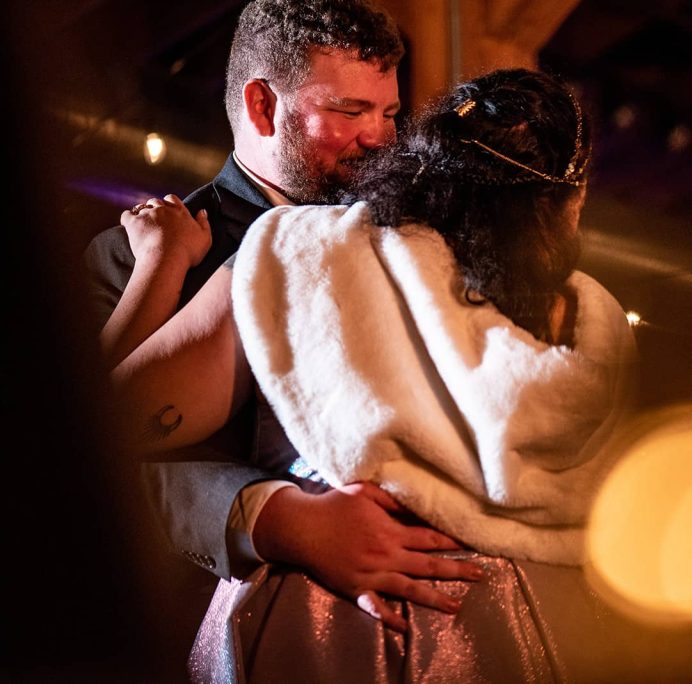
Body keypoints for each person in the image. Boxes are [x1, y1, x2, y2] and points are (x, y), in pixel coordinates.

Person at [112, 68, 636, 681]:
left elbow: (107, 421)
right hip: (546, 627)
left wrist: (272, 512)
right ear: (567, 202)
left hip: (329, 622)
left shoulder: (304, 251)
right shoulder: (593, 324)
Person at [84, 0, 483, 640]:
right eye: (348, 111)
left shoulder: (409, 240)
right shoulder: (128, 261)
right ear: (264, 107)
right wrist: (278, 517)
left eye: (388, 113)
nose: (380, 137)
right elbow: (91, 470)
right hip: (216, 637)